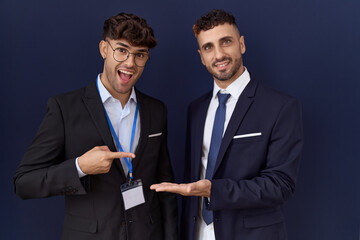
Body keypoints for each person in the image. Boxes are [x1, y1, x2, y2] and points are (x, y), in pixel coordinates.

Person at [14, 12, 178, 240]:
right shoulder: (64, 108)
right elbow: (24, 183)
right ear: (104, 49)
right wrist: (80, 166)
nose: (130, 63)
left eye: (140, 55)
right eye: (121, 50)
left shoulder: (156, 110)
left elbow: (165, 188)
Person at [151, 9, 303, 240]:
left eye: (226, 42)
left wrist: (214, 190)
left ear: (241, 44)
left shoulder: (281, 106)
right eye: (208, 47)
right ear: (201, 56)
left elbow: (280, 185)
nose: (219, 54)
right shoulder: (196, 109)